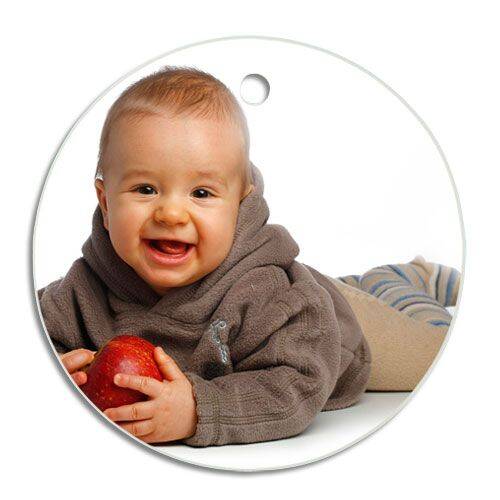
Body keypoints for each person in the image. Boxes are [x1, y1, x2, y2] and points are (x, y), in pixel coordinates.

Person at [37, 66, 460, 447]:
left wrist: (199, 411)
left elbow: (297, 385)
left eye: (201, 193)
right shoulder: (84, 288)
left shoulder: (270, 295)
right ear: (105, 202)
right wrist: (54, 372)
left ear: (239, 205)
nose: (170, 213)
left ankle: (410, 280)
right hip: (308, 296)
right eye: (145, 189)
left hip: (337, 330)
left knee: (437, 352)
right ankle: (375, 281)